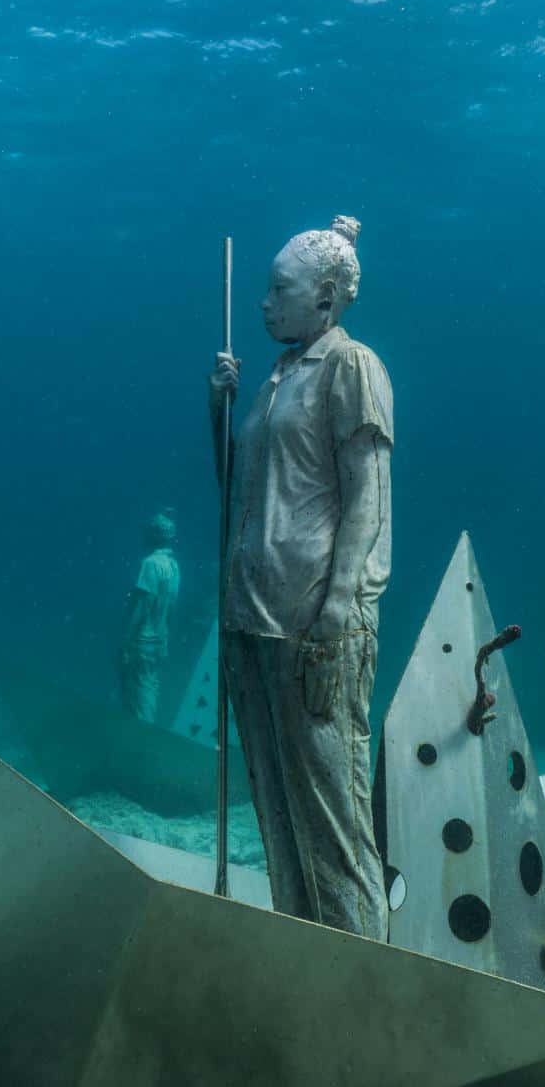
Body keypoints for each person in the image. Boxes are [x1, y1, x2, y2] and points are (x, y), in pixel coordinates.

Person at [209, 214, 392, 940]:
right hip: (252, 618)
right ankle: (305, 959)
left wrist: (344, 606)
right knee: (278, 811)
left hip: (313, 623)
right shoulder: (277, 379)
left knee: (334, 826)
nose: (263, 302)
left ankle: (365, 980)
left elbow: (368, 492)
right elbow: (239, 487)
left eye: (277, 288)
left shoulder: (351, 367)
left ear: (325, 298)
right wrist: (217, 407)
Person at [117, 511, 180, 724]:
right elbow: (171, 610)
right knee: (148, 691)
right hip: (159, 641)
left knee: (137, 698)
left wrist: (126, 641)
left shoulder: (151, 564)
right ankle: (141, 740)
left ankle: (141, 744)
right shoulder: (174, 566)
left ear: (153, 535)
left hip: (142, 642)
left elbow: (142, 608)